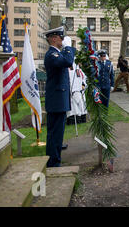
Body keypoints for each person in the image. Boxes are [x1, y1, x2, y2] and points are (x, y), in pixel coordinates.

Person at [43, 26, 75, 167]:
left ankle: (54, 159)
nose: (62, 41)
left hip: (58, 100)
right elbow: (68, 61)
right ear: (54, 38)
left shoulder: (56, 53)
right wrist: (68, 48)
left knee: (57, 134)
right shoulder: (52, 55)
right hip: (56, 101)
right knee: (55, 134)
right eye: (61, 38)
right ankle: (53, 163)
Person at [66, 61, 87, 125]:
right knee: (73, 108)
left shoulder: (79, 71)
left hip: (80, 91)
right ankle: (73, 120)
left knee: (81, 106)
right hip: (71, 92)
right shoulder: (67, 71)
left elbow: (84, 79)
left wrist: (83, 85)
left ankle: (81, 119)